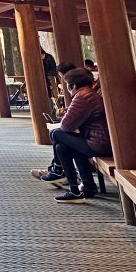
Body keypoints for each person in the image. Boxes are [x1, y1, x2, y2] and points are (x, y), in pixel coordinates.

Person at [40, 68, 111, 203]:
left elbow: (66, 126)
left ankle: (58, 169)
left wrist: (66, 114)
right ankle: (76, 190)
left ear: (72, 85)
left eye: (67, 85)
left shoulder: (82, 97)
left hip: (98, 143)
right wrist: (68, 111)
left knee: (56, 133)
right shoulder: (89, 94)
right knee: (62, 147)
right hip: (99, 140)